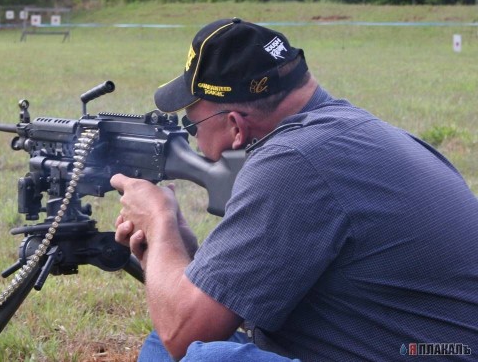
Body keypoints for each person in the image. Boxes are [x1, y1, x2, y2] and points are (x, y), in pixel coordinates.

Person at [110, 18, 478, 361]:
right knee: (168, 336)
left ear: (236, 126)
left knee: (206, 355)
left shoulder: (294, 162)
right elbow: (223, 302)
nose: (194, 140)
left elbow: (185, 335)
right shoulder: (355, 131)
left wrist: (158, 220)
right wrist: (177, 246)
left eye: (193, 127)